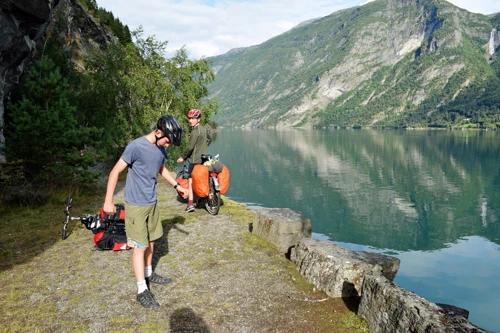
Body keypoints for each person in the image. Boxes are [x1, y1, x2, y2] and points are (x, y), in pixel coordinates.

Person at [103, 115, 188, 309]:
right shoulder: (135, 147)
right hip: (136, 205)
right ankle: (142, 290)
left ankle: (149, 273)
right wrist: (108, 200)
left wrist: (177, 186)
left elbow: (162, 169)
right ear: (158, 132)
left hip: (151, 203)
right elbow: (115, 172)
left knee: (151, 241)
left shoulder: (160, 148)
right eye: (167, 140)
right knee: (139, 246)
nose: (168, 145)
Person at [176, 109, 212, 213]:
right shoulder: (204, 129)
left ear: (198, 119)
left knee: (191, 182)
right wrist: (204, 147)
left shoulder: (195, 132)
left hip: (195, 160)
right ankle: (209, 199)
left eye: (193, 118)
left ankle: (190, 204)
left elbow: (190, 148)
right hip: (204, 159)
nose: (190, 120)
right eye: (190, 118)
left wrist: (183, 157)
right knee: (204, 179)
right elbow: (210, 140)